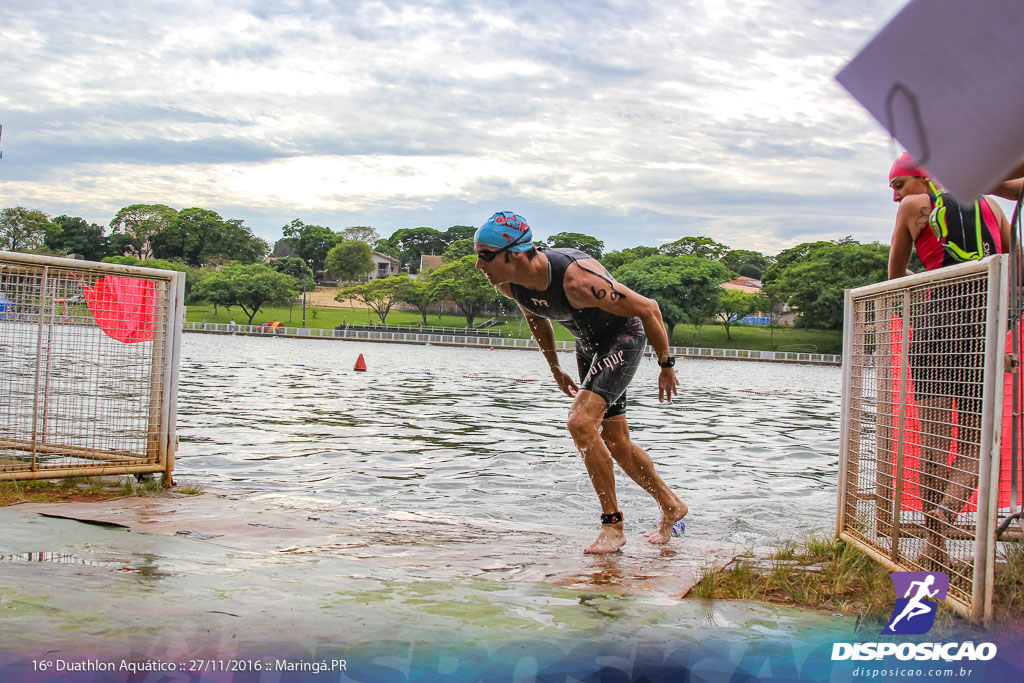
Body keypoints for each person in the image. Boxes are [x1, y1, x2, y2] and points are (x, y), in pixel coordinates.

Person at [473, 211, 687, 554]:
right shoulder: (508, 283)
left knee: (580, 422)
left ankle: (613, 526)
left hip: (622, 338)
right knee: (615, 442)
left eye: (485, 255)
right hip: (588, 346)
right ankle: (671, 505)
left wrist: (666, 364)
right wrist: (555, 367)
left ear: (512, 254)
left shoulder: (580, 280)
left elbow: (648, 308)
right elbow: (537, 318)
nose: (478, 265)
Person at [887, 152, 1011, 566]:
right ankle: (947, 513)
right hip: (986, 322)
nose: (896, 196)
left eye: (899, 184)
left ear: (922, 179)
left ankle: (932, 544)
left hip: (936, 322)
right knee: (978, 441)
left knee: (935, 441)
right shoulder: (993, 205)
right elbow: (1013, 264)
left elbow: (896, 274)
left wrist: (924, 295)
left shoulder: (912, 208)